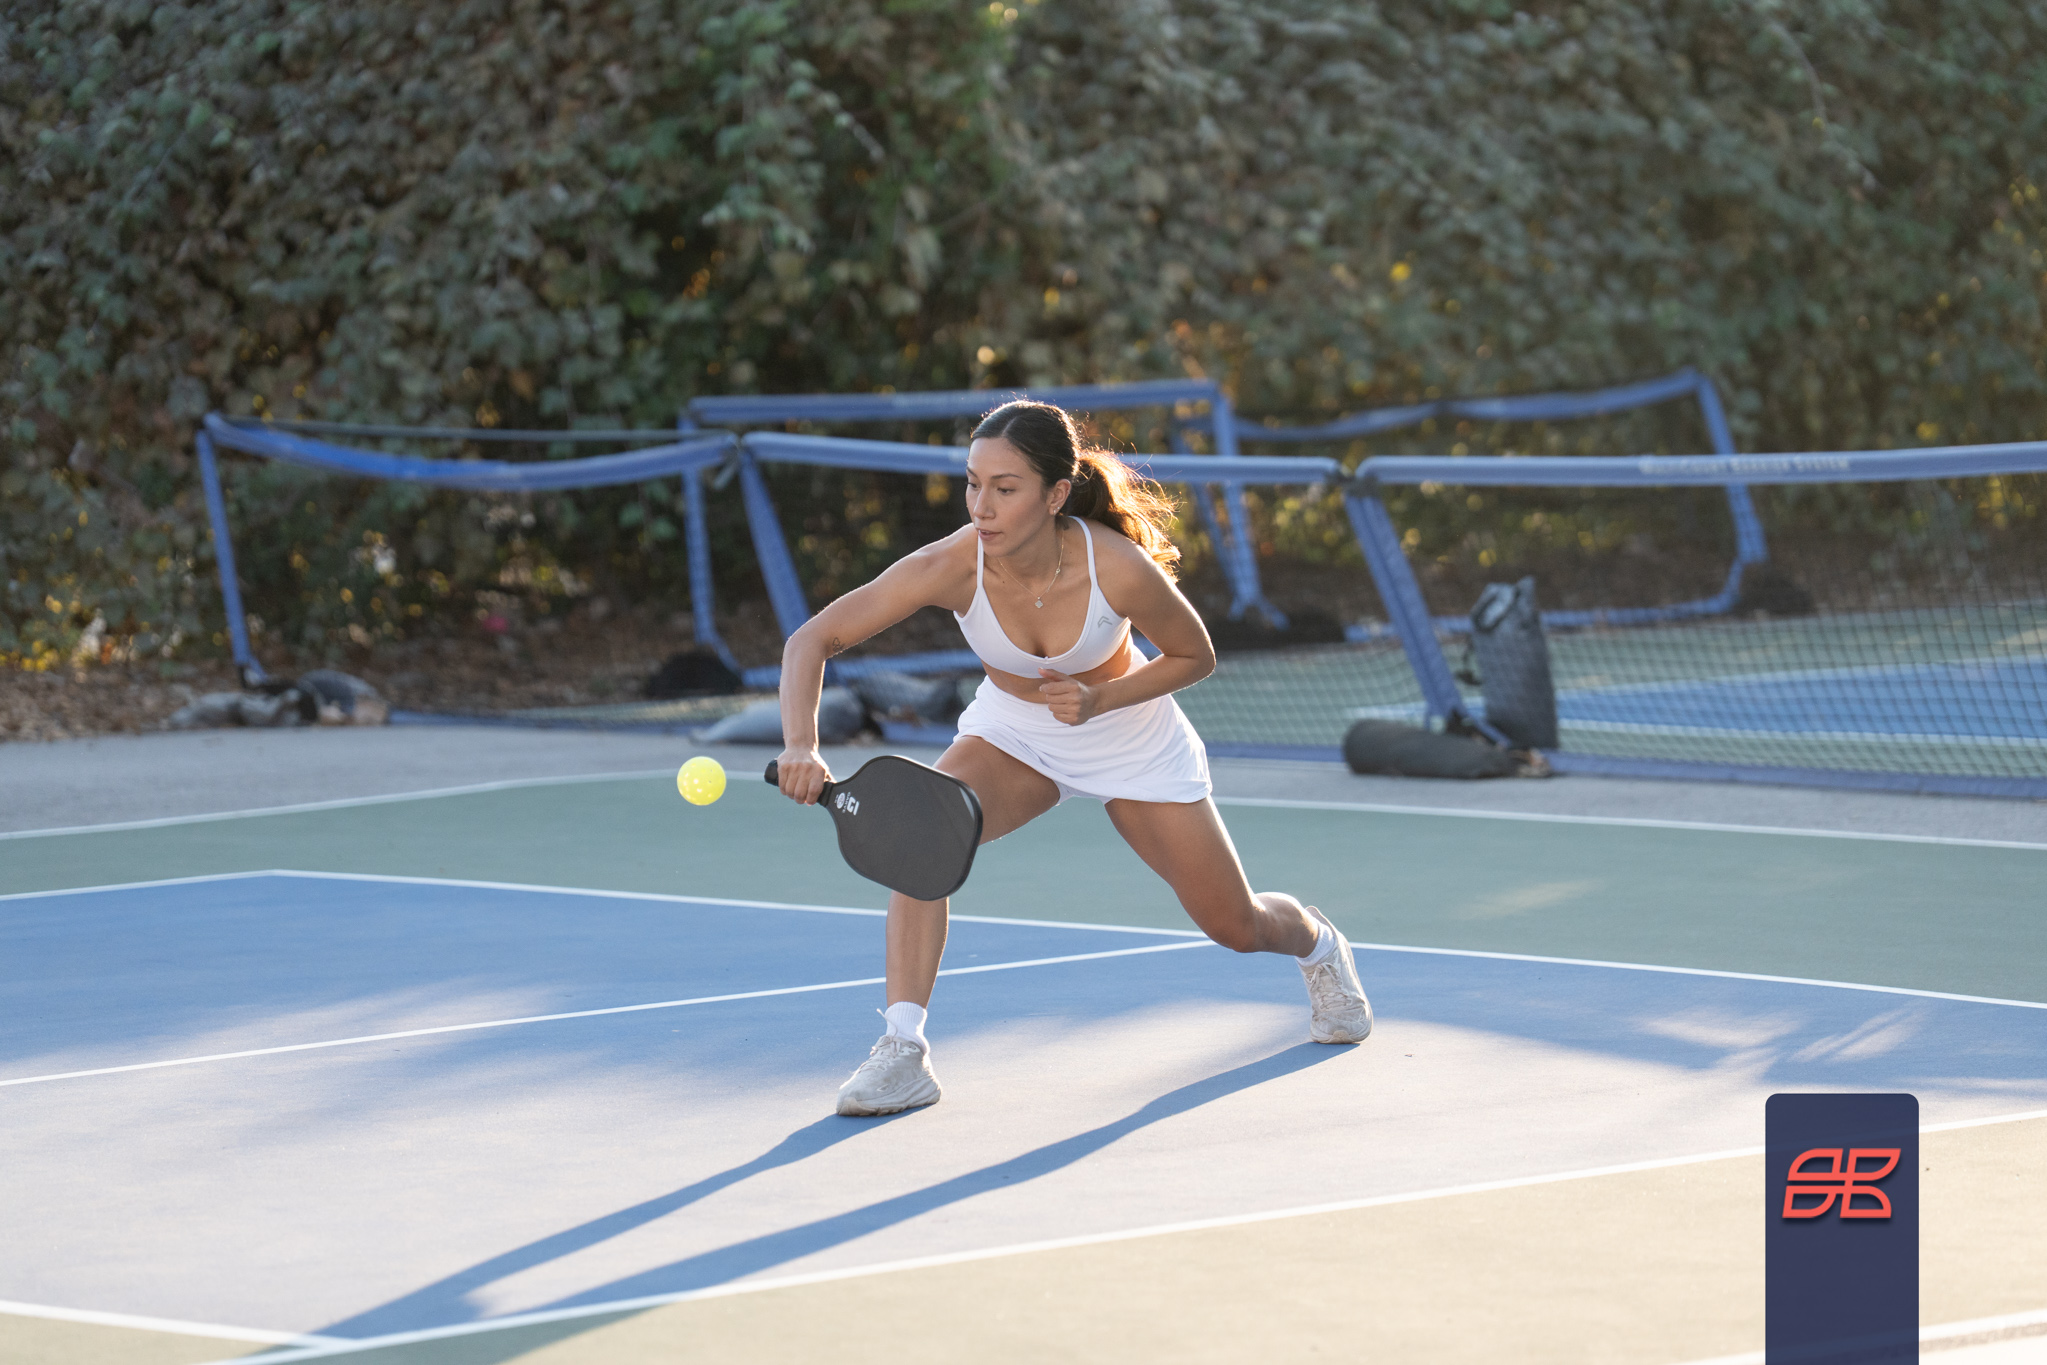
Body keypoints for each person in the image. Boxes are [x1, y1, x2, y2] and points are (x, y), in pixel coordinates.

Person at [773, 401, 1373, 1116]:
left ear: (1055, 494)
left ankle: (1317, 944)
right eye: (972, 484)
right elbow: (812, 639)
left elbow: (1195, 654)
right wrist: (801, 743)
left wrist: (1100, 698)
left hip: (1130, 735)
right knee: (923, 834)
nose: (982, 507)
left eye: (1005, 488)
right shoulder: (951, 565)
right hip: (1016, 735)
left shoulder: (1114, 564)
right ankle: (903, 1050)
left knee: (1236, 926)